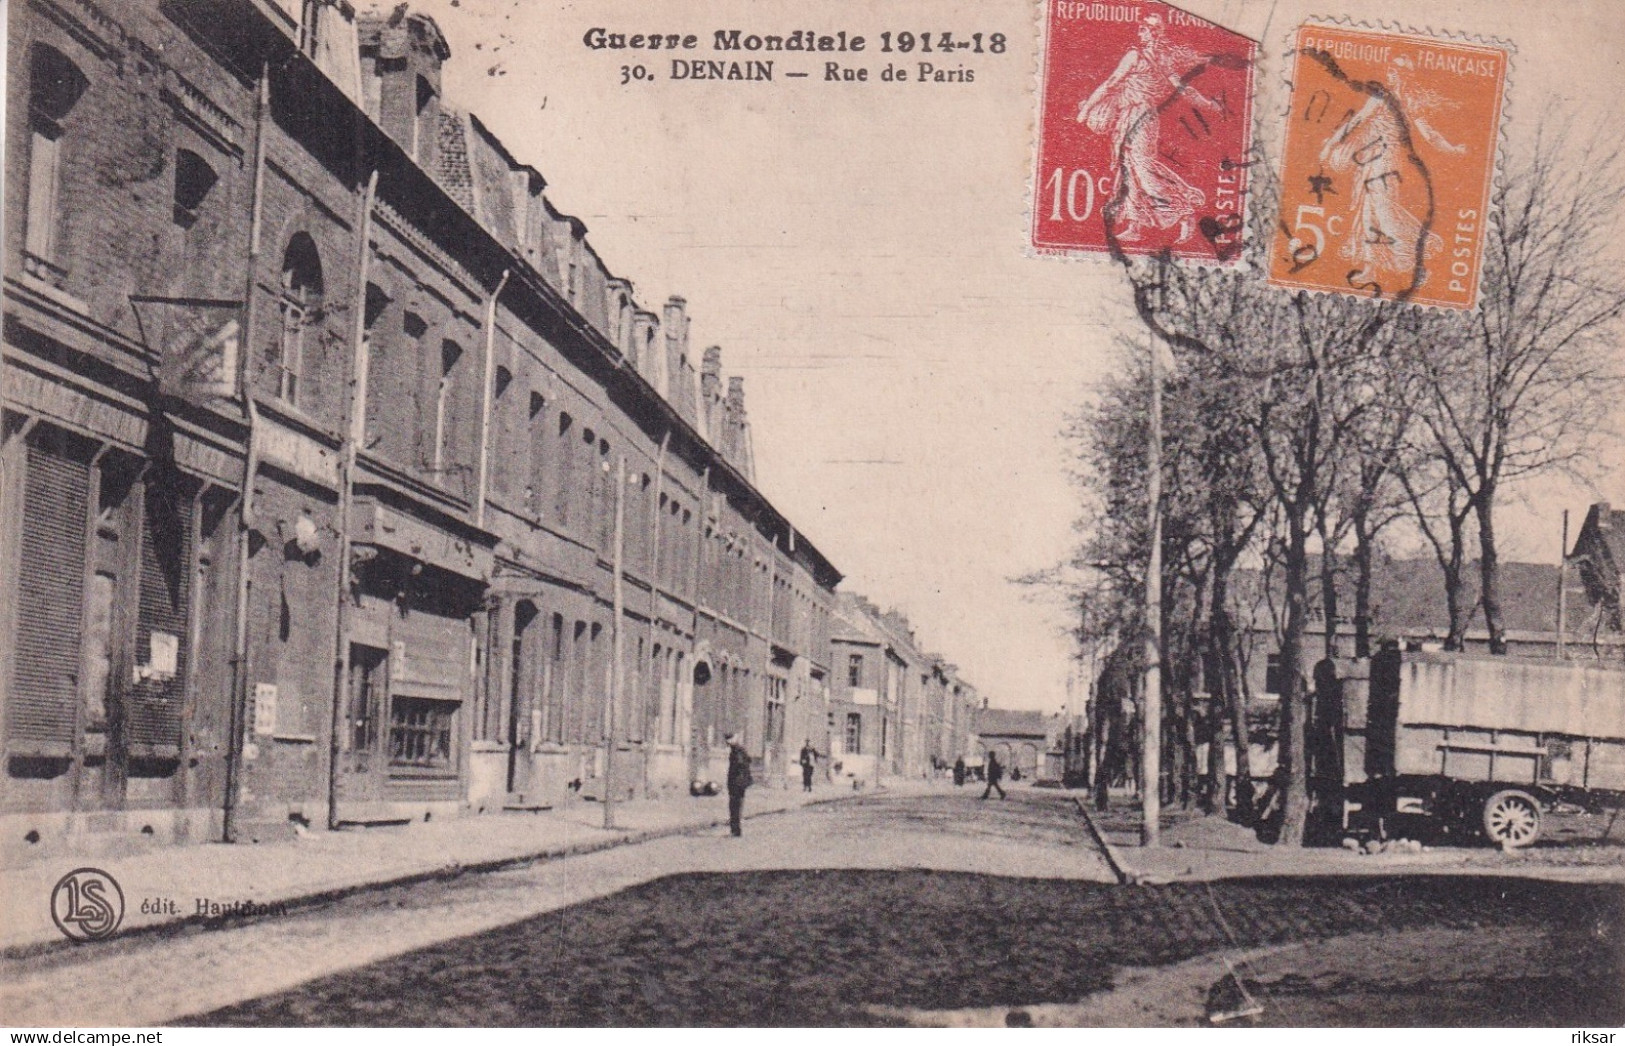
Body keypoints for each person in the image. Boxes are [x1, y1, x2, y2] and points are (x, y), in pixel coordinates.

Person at [726, 732, 752, 836]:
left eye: (729, 740)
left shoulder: (737, 751)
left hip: (737, 783)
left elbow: (739, 764)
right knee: (737, 806)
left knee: (734, 806)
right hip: (740, 783)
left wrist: (737, 781)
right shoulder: (739, 750)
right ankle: (736, 830)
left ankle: (735, 830)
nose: (728, 743)